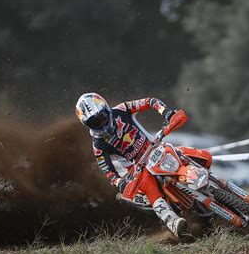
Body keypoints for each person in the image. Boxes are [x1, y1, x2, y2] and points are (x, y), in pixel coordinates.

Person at [75, 92, 187, 238]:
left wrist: (165, 112)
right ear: (87, 125)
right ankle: (172, 221)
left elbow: (150, 101)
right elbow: (107, 170)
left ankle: (222, 185)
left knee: (192, 155)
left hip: (156, 147)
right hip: (138, 168)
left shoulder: (122, 109)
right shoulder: (98, 144)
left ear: (106, 109)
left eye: (101, 118)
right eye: (94, 123)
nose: (101, 124)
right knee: (149, 186)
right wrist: (119, 182)